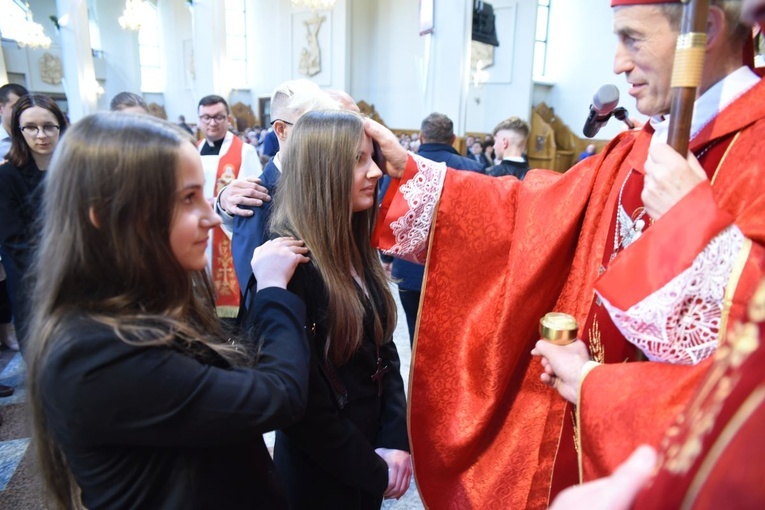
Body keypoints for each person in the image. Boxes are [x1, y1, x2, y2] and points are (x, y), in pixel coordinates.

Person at [365, 0, 765, 507]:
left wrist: (690, 224)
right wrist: (419, 173)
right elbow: (531, 214)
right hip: (582, 426)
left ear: (703, 29)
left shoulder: (755, 151)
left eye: (633, 39)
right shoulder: (642, 145)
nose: (618, 64)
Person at [26, 112, 312, 509]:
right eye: (187, 199)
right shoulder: (95, 353)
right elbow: (278, 395)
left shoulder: (144, 300)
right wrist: (272, 290)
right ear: (107, 216)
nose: (212, 218)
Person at [250, 109, 411, 509]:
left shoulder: (357, 247)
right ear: (323, 170)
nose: (375, 171)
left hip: (370, 452)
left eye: (372, 157)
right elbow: (303, 410)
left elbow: (384, 351)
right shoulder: (289, 263)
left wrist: (394, 437)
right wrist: (373, 470)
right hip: (321, 471)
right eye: (358, 160)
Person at [217, 80, 338, 291]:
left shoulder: (329, 182)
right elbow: (253, 289)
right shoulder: (255, 198)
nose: (324, 139)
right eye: (312, 128)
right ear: (281, 130)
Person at [389, 112, 484, 346]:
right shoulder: (474, 168)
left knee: (416, 335)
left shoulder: (404, 166)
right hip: (456, 269)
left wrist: (385, 256)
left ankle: (416, 381)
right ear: (453, 139)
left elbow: (388, 213)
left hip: (409, 268)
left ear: (421, 137)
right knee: (452, 338)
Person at [0, 94, 68, 354]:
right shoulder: (6, 176)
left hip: (77, 275)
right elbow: (15, 241)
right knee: (42, 354)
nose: (41, 135)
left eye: (49, 126)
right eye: (31, 127)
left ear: (60, 126)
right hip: (32, 278)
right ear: (19, 130)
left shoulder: (73, 169)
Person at [196, 94, 262, 318]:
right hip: (199, 232)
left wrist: (217, 202)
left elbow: (255, 195)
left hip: (226, 231)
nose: (212, 123)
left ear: (228, 119)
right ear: (199, 120)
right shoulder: (193, 150)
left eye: (218, 117)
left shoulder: (244, 152)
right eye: (206, 117)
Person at [0, 83, 29, 158]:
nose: (22, 111)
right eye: (15, 107)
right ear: (1, 108)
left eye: (26, 107)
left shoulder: (33, 136)